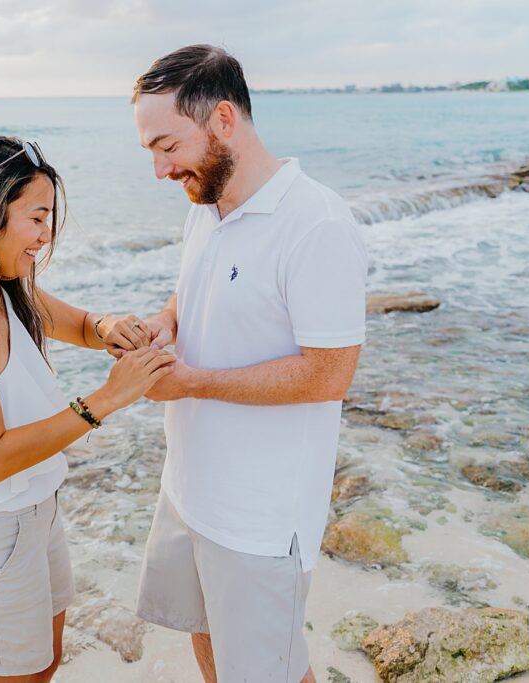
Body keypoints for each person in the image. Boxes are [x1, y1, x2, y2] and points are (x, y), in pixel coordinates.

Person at [0, 135, 174, 682]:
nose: (46, 236)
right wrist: (108, 398)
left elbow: (81, 324)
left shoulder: (2, 285)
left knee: (41, 666)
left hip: (33, 511)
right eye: (37, 217)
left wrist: (112, 326)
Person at [129, 45, 369, 683]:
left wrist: (192, 382)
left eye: (167, 146)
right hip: (187, 488)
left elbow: (328, 374)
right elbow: (199, 289)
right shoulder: (205, 208)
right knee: (206, 640)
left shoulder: (316, 224)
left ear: (224, 120)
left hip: (259, 516)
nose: (158, 169)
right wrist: (165, 321)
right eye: (150, 151)